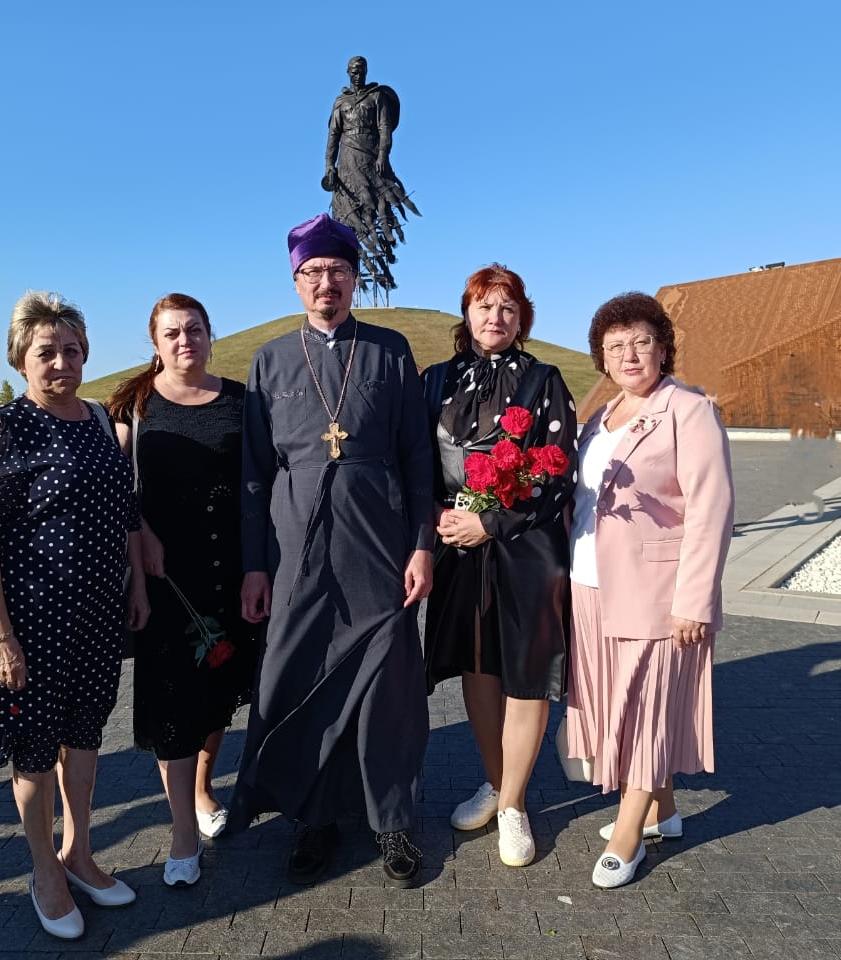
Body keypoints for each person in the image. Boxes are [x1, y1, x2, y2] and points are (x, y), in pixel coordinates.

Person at [231, 213, 434, 887]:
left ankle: (391, 818)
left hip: (380, 544)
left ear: (355, 279)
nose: (327, 283)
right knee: (301, 674)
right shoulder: (270, 360)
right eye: (314, 272)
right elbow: (254, 471)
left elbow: (417, 456)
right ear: (296, 282)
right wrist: (255, 565)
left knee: (388, 683)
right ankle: (312, 816)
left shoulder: (389, 350)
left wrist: (422, 547)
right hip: (297, 548)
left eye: (340, 271)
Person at [0, 291, 147, 939]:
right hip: (30, 623)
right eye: (46, 352)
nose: (61, 362)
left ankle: (79, 853)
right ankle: (45, 873)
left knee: (85, 736)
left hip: (96, 616)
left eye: (71, 349)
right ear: (20, 360)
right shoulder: (4, 428)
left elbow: (124, 511)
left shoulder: (98, 419)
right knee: (34, 750)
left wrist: (136, 587)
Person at [564, 292, 734, 889]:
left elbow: (712, 508)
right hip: (589, 584)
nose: (629, 355)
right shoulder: (602, 415)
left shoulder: (688, 411)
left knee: (643, 707)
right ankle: (663, 809)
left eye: (641, 342)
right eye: (615, 346)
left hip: (657, 589)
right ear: (602, 357)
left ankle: (629, 833)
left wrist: (695, 600)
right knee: (617, 703)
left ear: (663, 348)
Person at [420, 264, 577, 868]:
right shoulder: (435, 380)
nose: (496, 317)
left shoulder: (543, 380)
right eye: (485, 306)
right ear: (467, 313)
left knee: (526, 673)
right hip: (458, 549)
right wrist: (438, 517)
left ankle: (513, 804)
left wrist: (491, 523)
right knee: (478, 666)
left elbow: (558, 471)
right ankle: (494, 780)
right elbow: (417, 464)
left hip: (526, 547)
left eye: (508, 307)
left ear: (522, 318)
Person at [106, 293, 257, 888]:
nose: (184, 340)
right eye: (171, 333)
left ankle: (202, 787)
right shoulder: (133, 404)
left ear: (210, 335)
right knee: (173, 700)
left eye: (194, 329)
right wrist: (139, 533)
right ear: (155, 342)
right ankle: (181, 831)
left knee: (217, 687)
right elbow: (113, 486)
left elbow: (260, 480)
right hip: (166, 575)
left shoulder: (241, 399)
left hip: (228, 569)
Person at [322, 56, 420, 292]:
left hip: (371, 159)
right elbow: (333, 136)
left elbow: (385, 129)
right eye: (354, 71)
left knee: (376, 207)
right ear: (348, 72)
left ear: (366, 72)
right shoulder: (341, 102)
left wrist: (383, 155)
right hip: (347, 163)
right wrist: (329, 165)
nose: (357, 75)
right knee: (348, 218)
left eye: (361, 71)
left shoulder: (376, 97)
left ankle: (383, 253)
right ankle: (354, 268)